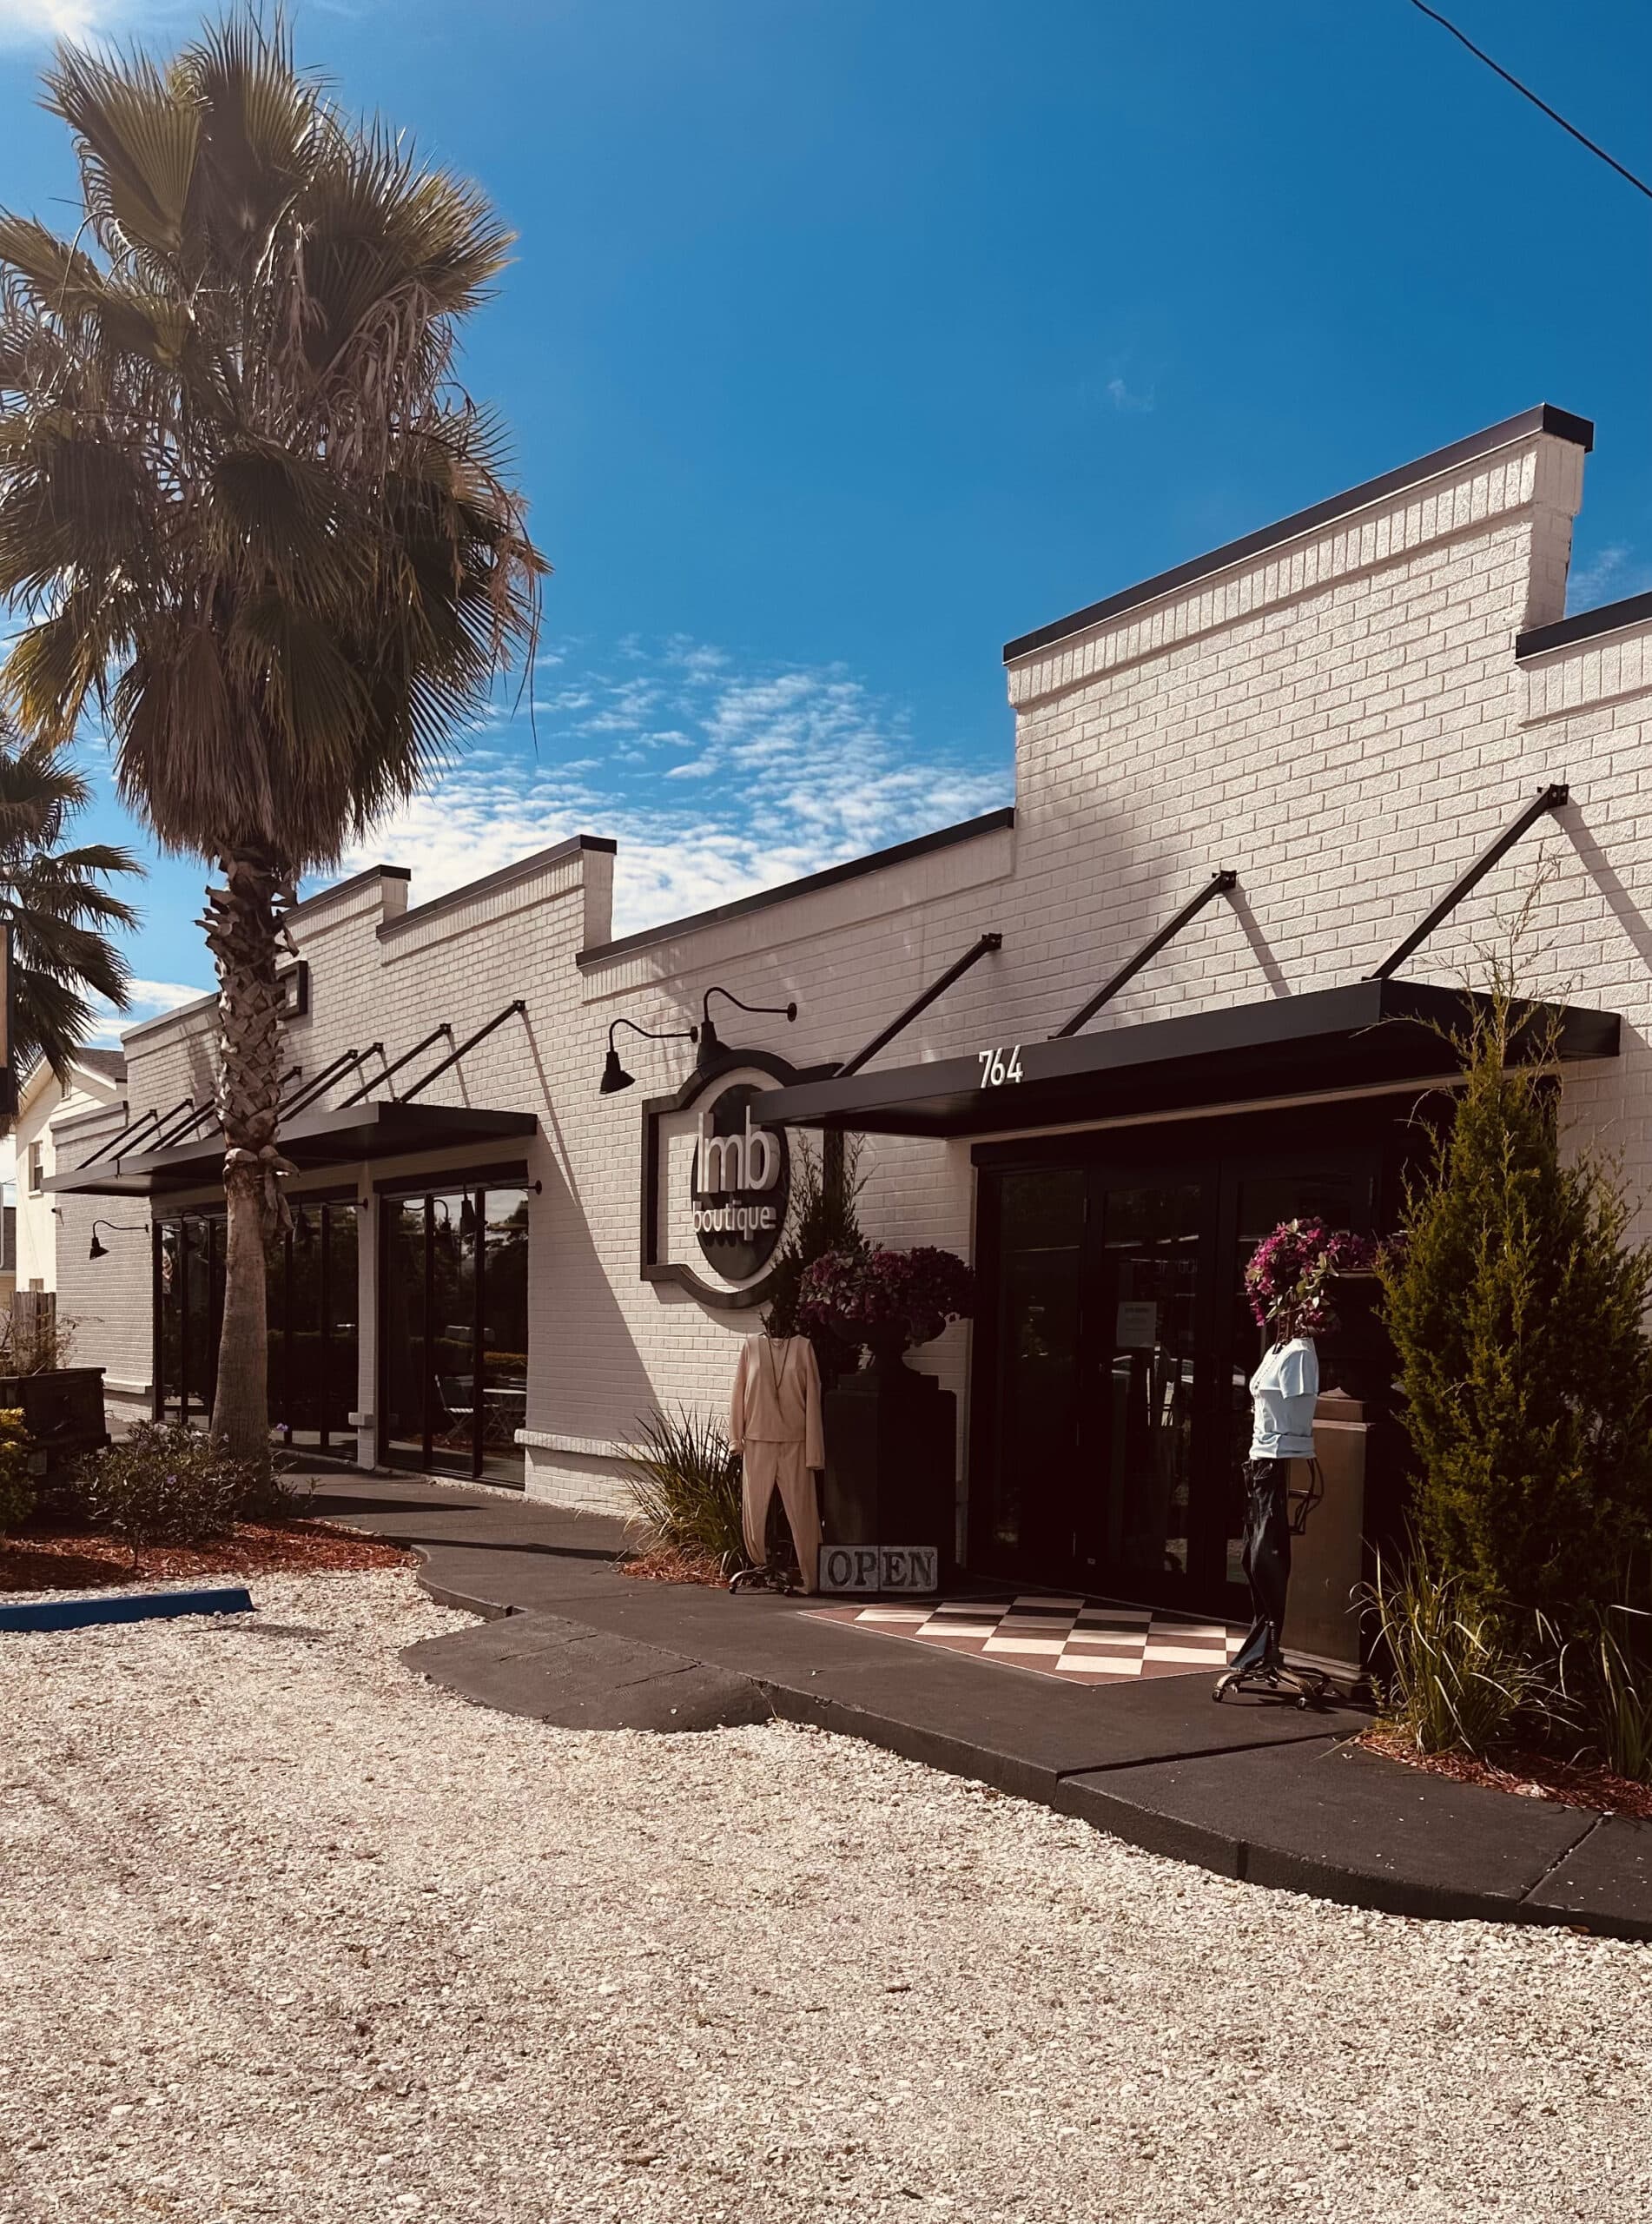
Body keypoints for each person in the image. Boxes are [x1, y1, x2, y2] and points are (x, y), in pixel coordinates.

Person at [1229, 1310, 1318, 1678]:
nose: (1278, 1317)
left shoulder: (1300, 1353)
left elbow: (1299, 1412)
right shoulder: (1276, 1350)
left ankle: (1270, 1644)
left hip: (1280, 1460)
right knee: (1250, 1557)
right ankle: (1262, 1644)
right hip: (1259, 1460)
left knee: (1265, 1559)